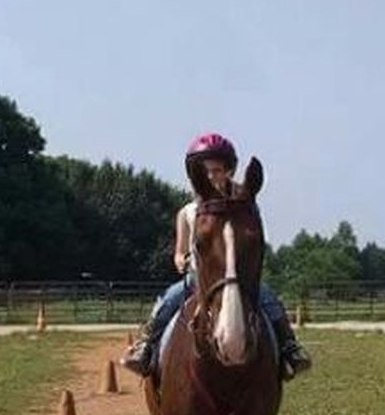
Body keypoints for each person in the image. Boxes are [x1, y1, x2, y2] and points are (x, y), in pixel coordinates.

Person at [121, 132, 312, 379]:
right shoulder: (188, 212)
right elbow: (179, 252)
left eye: (217, 170)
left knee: (268, 298)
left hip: (236, 275)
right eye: (206, 172)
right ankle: (146, 347)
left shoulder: (242, 207)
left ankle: (289, 348)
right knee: (169, 299)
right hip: (200, 277)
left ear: (229, 171)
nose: (212, 176)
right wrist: (183, 261)